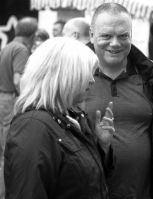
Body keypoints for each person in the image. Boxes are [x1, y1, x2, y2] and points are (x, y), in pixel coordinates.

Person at [85, 3, 153, 199]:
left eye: (123, 36)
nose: (115, 43)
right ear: (91, 35)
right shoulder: (73, 77)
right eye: (106, 35)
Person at [4, 37, 115, 198]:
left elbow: (85, 179)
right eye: (86, 73)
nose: (92, 80)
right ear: (64, 76)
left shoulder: (71, 117)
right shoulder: (34, 127)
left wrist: (102, 147)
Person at [0, 17, 38, 182]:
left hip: (3, 98)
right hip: (11, 99)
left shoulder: (8, 46)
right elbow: (17, 80)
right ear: (33, 34)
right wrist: (27, 101)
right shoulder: (21, 49)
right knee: (9, 151)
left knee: (4, 149)